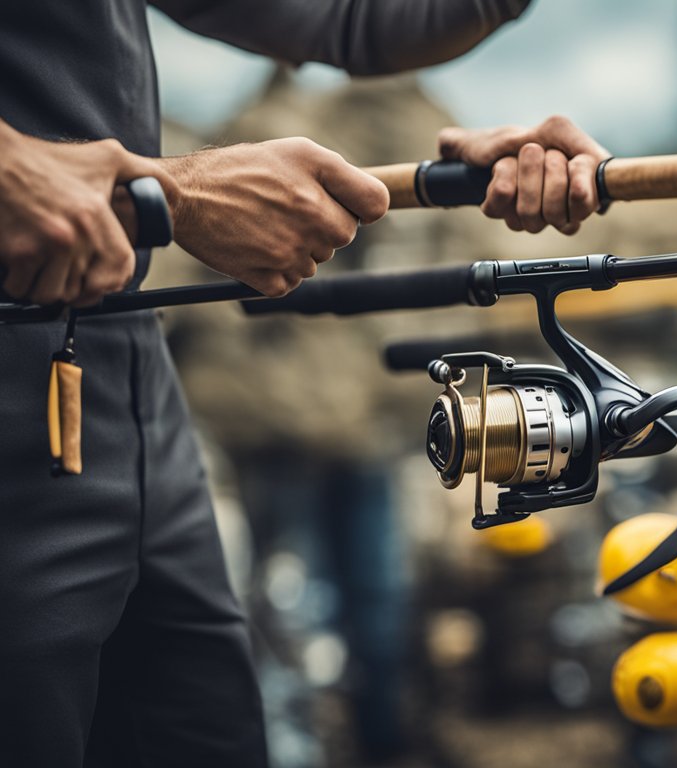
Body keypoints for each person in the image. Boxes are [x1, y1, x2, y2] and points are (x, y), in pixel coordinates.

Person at [0, 1, 608, 765]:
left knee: (222, 722)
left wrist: (455, 171)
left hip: (139, 408)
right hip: (29, 427)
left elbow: (351, 20)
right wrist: (173, 193)